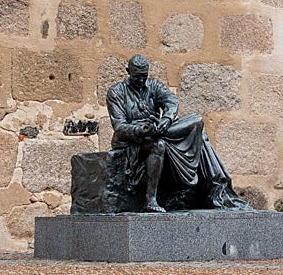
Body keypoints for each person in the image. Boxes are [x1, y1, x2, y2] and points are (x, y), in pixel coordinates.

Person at [105, 54, 252, 213]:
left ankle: (162, 133)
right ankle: (151, 200)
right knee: (160, 144)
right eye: (137, 77)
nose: (141, 81)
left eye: (144, 77)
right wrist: (141, 129)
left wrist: (166, 119)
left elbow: (171, 101)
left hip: (159, 130)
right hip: (134, 140)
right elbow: (119, 127)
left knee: (196, 120)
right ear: (128, 72)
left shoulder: (153, 85)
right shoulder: (116, 92)